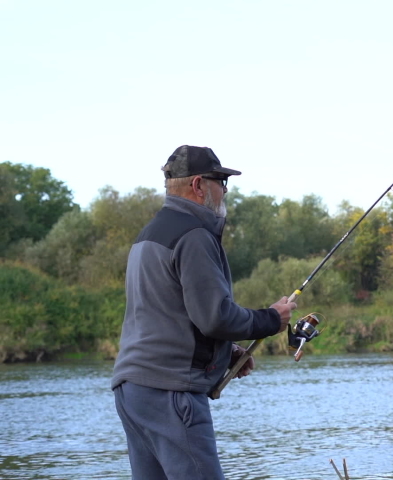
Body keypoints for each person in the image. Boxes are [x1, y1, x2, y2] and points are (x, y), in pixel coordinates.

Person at [111, 145, 297, 479]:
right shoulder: (194, 235)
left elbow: (166, 316)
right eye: (220, 181)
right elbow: (215, 317)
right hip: (171, 392)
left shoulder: (149, 234)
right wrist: (271, 319)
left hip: (133, 390)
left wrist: (225, 354)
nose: (225, 190)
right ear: (199, 185)